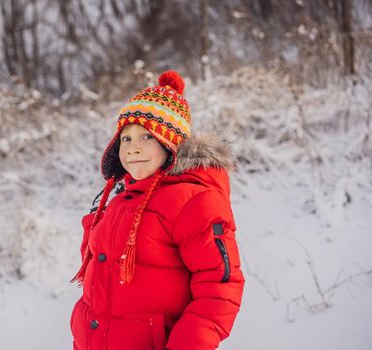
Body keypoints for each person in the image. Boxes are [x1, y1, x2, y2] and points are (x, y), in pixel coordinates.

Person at [70, 70, 245, 350]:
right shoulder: (117, 200)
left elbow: (220, 289)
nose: (132, 148)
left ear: (170, 144)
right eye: (125, 138)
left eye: (146, 137)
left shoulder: (195, 200)